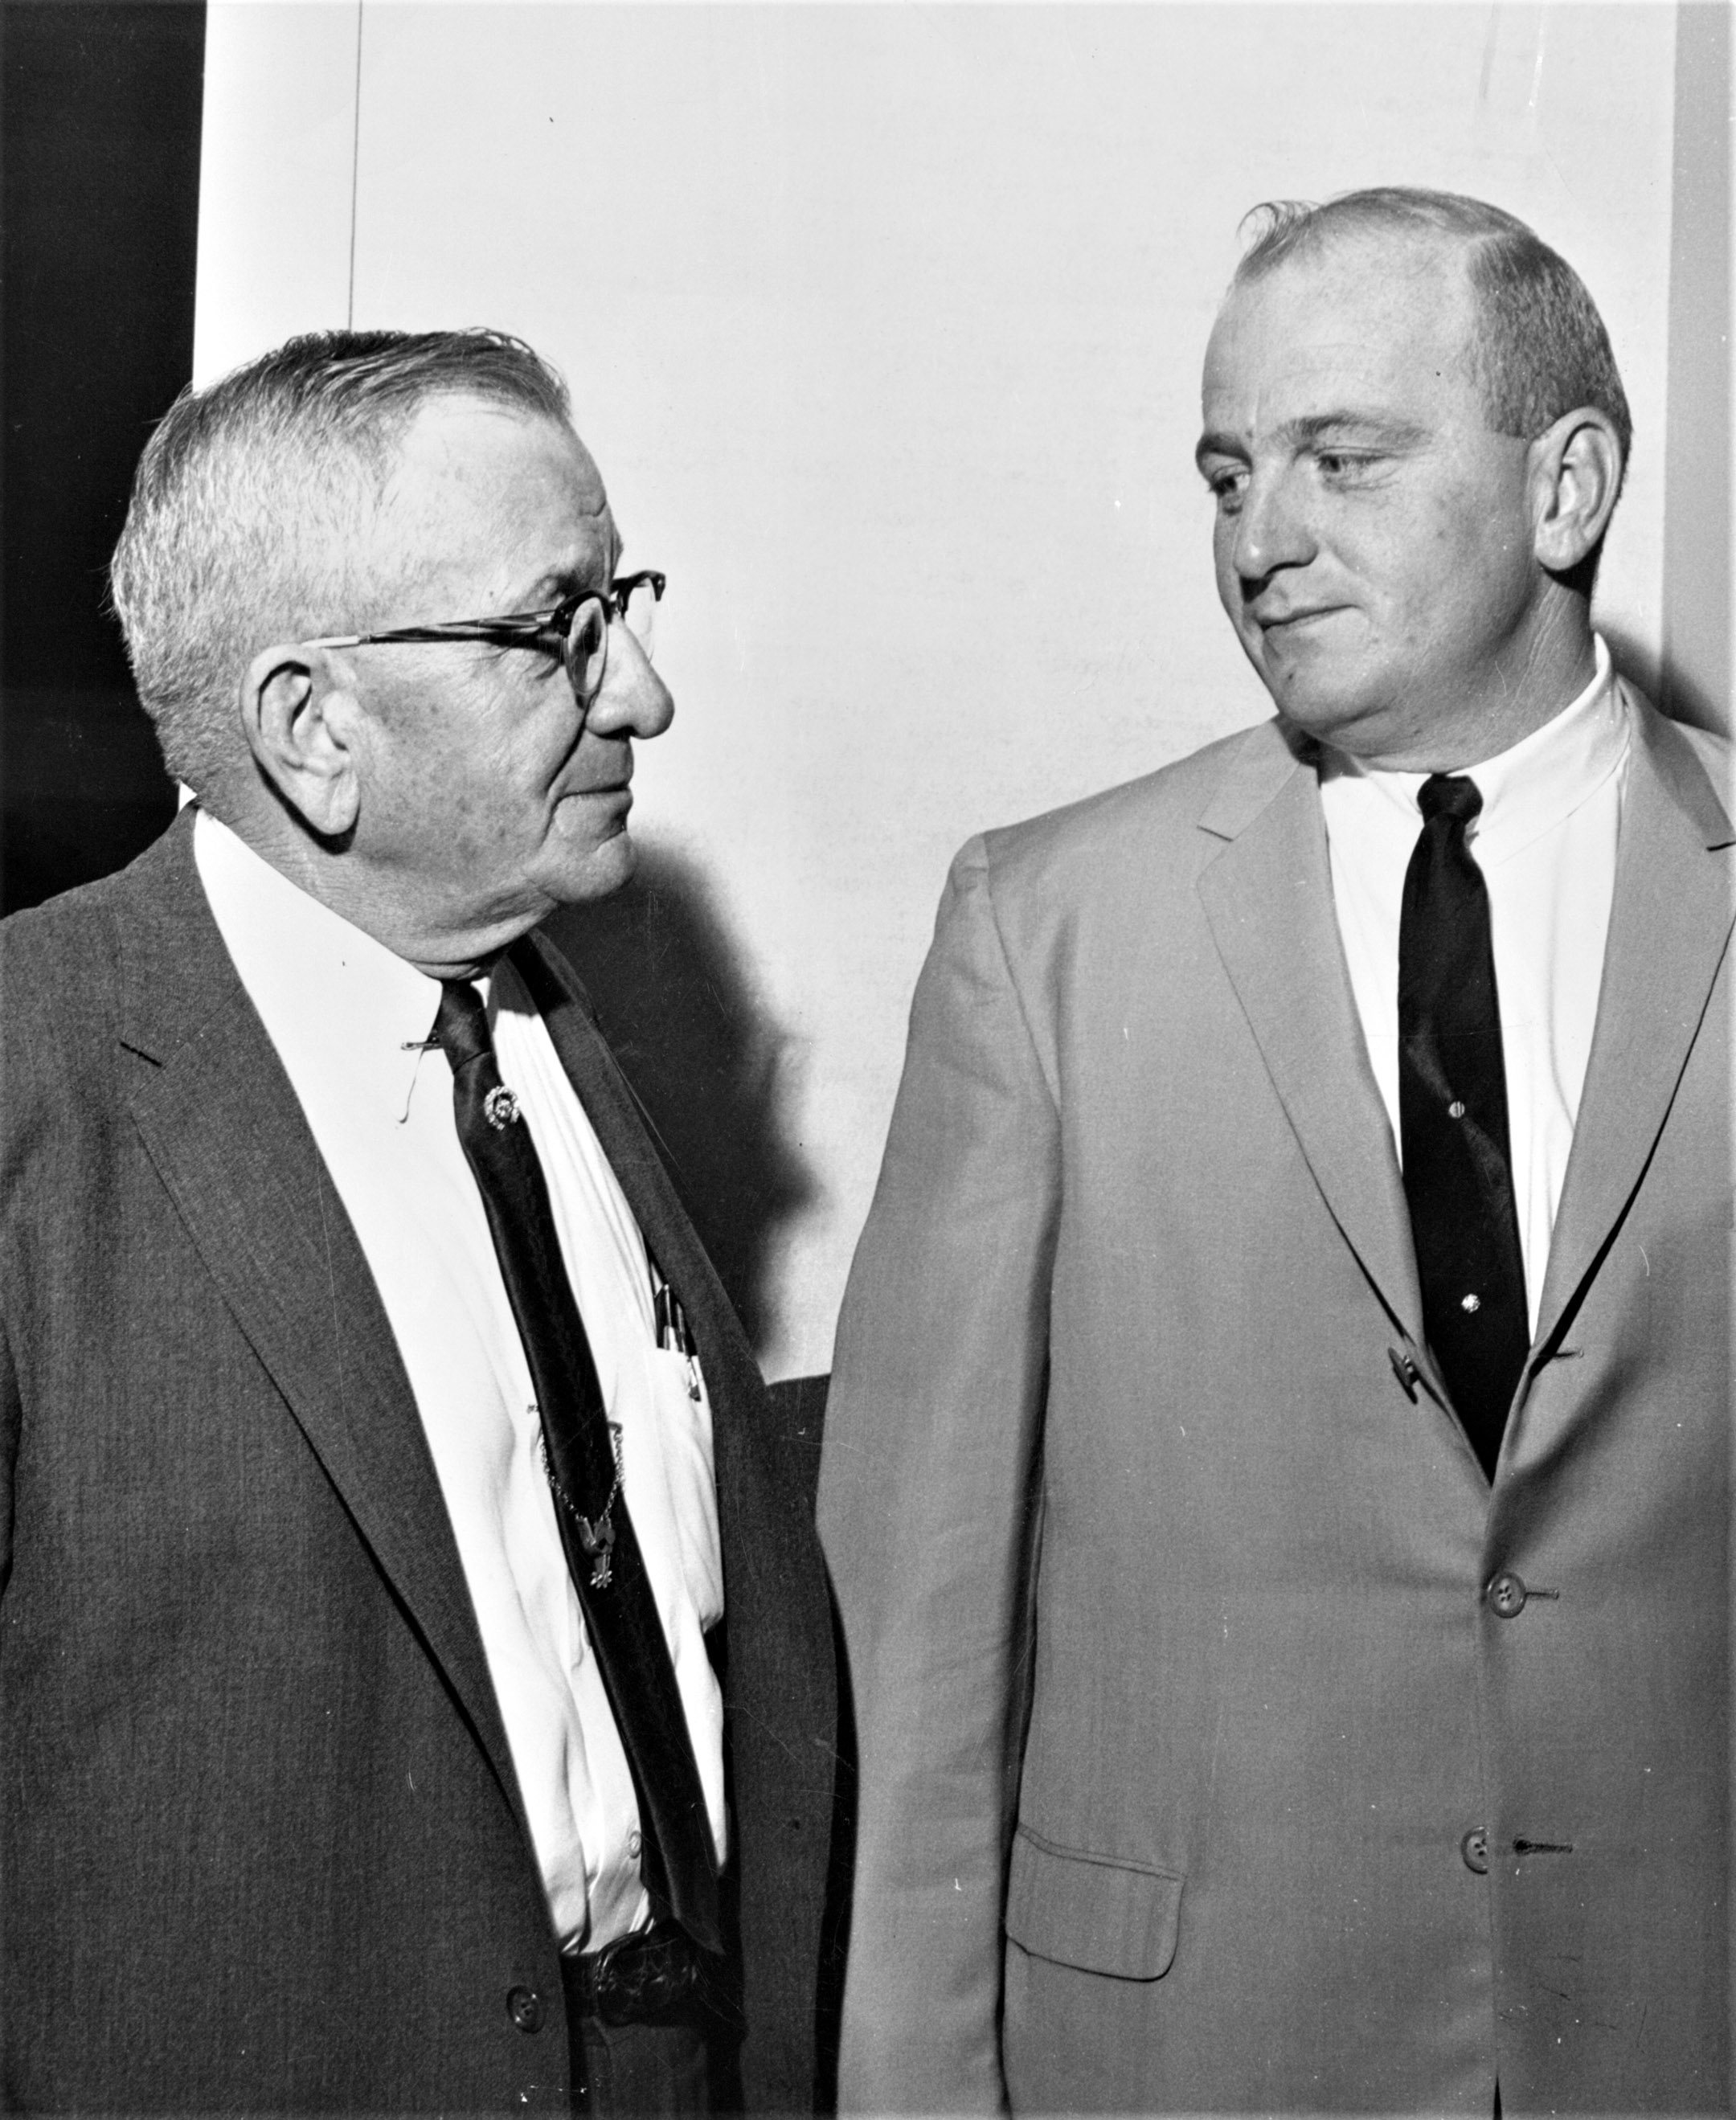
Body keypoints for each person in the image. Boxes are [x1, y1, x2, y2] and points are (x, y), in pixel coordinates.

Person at [818, 189, 1730, 2114]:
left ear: (1569, 486)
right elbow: (916, 1650)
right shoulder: (1042, 926)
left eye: (1344, 458)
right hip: (1182, 2054)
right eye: (1230, 471)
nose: (1259, 540)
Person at [0, 329, 835, 2115]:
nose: (646, 698)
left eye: (625, 605)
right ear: (314, 728)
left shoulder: (555, 1029)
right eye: (558, 630)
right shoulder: (37, 1084)